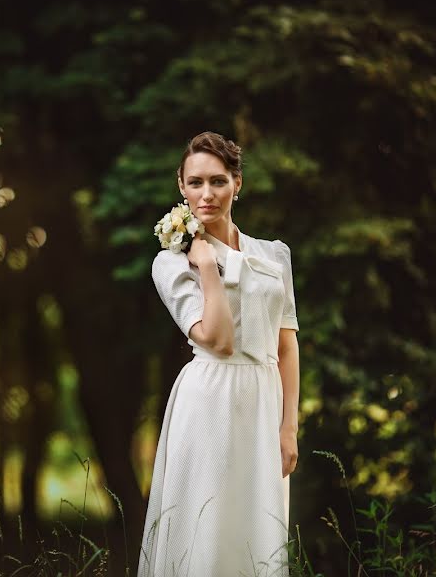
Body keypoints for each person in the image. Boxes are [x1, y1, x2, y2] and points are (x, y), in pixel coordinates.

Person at [137, 131, 301, 576]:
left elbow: (286, 342)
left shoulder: (274, 255)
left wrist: (289, 426)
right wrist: (207, 266)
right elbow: (219, 339)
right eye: (194, 183)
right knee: (205, 529)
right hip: (208, 401)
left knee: (258, 532)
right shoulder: (171, 263)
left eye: (217, 181)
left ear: (237, 184)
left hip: (263, 403)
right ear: (181, 187)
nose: (205, 194)